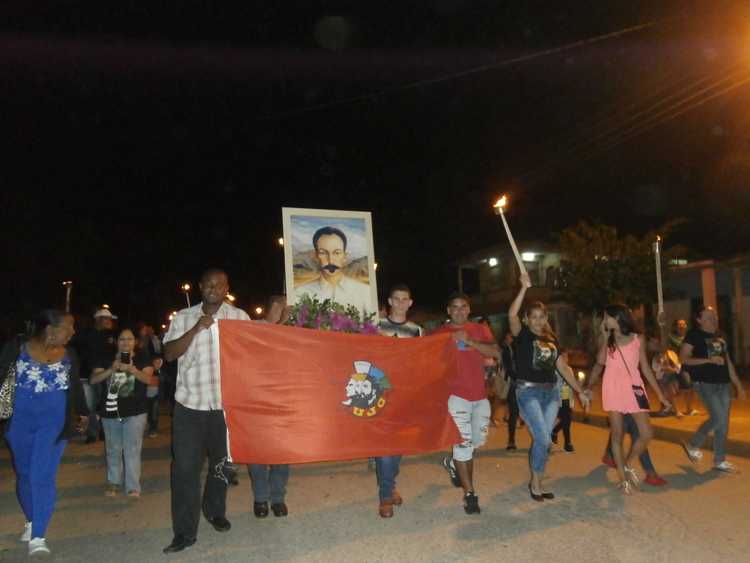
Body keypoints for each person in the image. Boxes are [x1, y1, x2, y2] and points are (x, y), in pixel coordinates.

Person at [162, 269, 251, 554]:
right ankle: (184, 532)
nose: (214, 288)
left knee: (222, 466)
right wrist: (197, 328)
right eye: (209, 284)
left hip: (225, 408)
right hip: (190, 405)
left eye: (219, 284)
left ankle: (214, 510)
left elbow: (256, 352)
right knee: (185, 470)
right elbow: (169, 354)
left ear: (227, 288)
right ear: (200, 287)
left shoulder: (239, 317)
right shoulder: (183, 317)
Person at [0, 310, 87, 557]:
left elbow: (75, 386)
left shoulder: (69, 354)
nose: (73, 332)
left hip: (54, 423)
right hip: (19, 422)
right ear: (50, 331)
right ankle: (31, 520)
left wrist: (83, 412)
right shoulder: (16, 348)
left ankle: (38, 534)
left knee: (42, 475)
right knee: (25, 474)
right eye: (69, 327)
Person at [509, 274, 589, 502]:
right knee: (544, 440)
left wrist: (579, 390)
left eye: (541, 317)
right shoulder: (522, 335)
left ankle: (537, 481)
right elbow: (511, 315)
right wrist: (523, 288)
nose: (537, 321)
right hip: (528, 392)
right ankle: (535, 482)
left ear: (546, 318)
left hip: (551, 393)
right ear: (527, 319)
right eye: (533, 317)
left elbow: (563, 367)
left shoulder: (552, 341)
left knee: (542, 440)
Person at [434, 292, 499, 514]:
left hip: (479, 396)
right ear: (448, 310)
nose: (459, 310)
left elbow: (495, 352)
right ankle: (470, 494)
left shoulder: (480, 330)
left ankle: (452, 463)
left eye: (464, 307)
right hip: (455, 397)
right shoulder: (440, 333)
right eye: (455, 307)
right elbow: (429, 362)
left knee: (474, 442)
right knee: (463, 445)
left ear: (469, 310)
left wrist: (469, 340)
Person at [595, 304, 669, 494]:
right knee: (617, 434)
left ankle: (627, 464)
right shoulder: (609, 340)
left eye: (607, 317)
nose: (604, 321)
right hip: (612, 387)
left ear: (617, 318)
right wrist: (604, 337)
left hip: (635, 388)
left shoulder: (638, 339)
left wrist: (661, 396)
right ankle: (623, 478)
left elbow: (645, 368)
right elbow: (601, 361)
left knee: (646, 433)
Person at [374, 284, 423, 518]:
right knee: (385, 448)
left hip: (406, 396)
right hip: (380, 395)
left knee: (398, 447)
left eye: (405, 299)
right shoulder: (375, 327)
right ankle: (385, 497)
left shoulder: (417, 331)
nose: (401, 303)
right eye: (397, 299)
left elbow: (423, 362)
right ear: (390, 301)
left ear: (410, 303)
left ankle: (390, 485)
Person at [680, 307, 746, 473]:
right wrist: (708, 360)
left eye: (714, 316)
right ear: (699, 320)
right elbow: (684, 358)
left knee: (723, 423)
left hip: (723, 384)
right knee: (717, 418)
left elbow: (728, 363)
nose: (713, 319)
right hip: (705, 384)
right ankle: (694, 444)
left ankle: (719, 460)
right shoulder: (693, 335)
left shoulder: (720, 338)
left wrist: (738, 385)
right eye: (708, 317)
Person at [90, 327, 155, 497]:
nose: (126, 342)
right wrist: (112, 369)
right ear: (116, 341)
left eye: (129, 339)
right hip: (110, 410)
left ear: (135, 342)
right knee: (113, 448)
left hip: (136, 411)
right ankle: (113, 483)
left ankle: (133, 486)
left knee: (132, 449)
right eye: (122, 339)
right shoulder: (106, 357)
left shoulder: (142, 357)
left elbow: (150, 379)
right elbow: (93, 379)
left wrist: (133, 370)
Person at [248, 295, 292, 519]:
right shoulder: (253, 328)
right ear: (275, 307)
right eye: (284, 306)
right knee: (258, 455)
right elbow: (262, 348)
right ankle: (260, 499)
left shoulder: (291, 331)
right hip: (256, 401)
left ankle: (278, 498)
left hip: (282, 401)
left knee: (281, 455)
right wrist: (283, 325)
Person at [296, 226, 372, 314]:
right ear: (316, 256)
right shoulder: (300, 292)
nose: (330, 260)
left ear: (345, 256)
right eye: (323, 253)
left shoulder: (365, 292)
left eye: (337, 253)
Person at [79, 308, 118, 443]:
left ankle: (102, 430)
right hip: (87, 374)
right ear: (99, 319)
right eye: (107, 319)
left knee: (105, 403)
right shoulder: (86, 334)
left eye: (110, 319)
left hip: (105, 374)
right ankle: (92, 433)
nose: (110, 322)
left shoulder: (112, 336)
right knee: (89, 405)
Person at [499, 332, 521, 450]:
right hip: (515, 384)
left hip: (525, 383)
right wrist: (519, 378)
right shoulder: (507, 350)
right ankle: (511, 440)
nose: (507, 339)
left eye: (509, 337)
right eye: (506, 336)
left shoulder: (523, 346)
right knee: (514, 413)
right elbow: (508, 368)